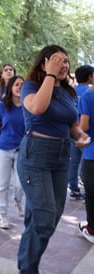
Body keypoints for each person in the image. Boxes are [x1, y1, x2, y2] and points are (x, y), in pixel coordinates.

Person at [16, 45, 90, 273]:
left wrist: (80, 135)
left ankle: (28, 264)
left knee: (49, 216)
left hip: (61, 156)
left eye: (66, 61)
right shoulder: (31, 86)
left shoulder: (69, 92)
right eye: (57, 60)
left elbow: (72, 125)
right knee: (44, 219)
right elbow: (37, 108)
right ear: (44, 63)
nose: (63, 65)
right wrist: (50, 75)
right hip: (36, 155)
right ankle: (27, 268)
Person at [0, 75, 25, 229]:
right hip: (3, 149)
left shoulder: (29, 106)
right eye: (16, 84)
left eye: (22, 85)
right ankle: (3, 214)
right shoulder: (2, 106)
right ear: (11, 87)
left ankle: (18, 201)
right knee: (2, 184)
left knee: (20, 184)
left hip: (22, 150)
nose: (19, 87)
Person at [67, 64, 94, 200]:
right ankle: (87, 189)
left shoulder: (70, 91)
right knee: (86, 163)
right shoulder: (89, 92)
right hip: (86, 133)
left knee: (73, 161)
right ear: (90, 77)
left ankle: (74, 188)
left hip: (71, 130)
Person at [78, 84, 94, 243]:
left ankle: (92, 229)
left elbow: (84, 126)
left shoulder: (88, 97)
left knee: (91, 193)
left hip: (92, 153)